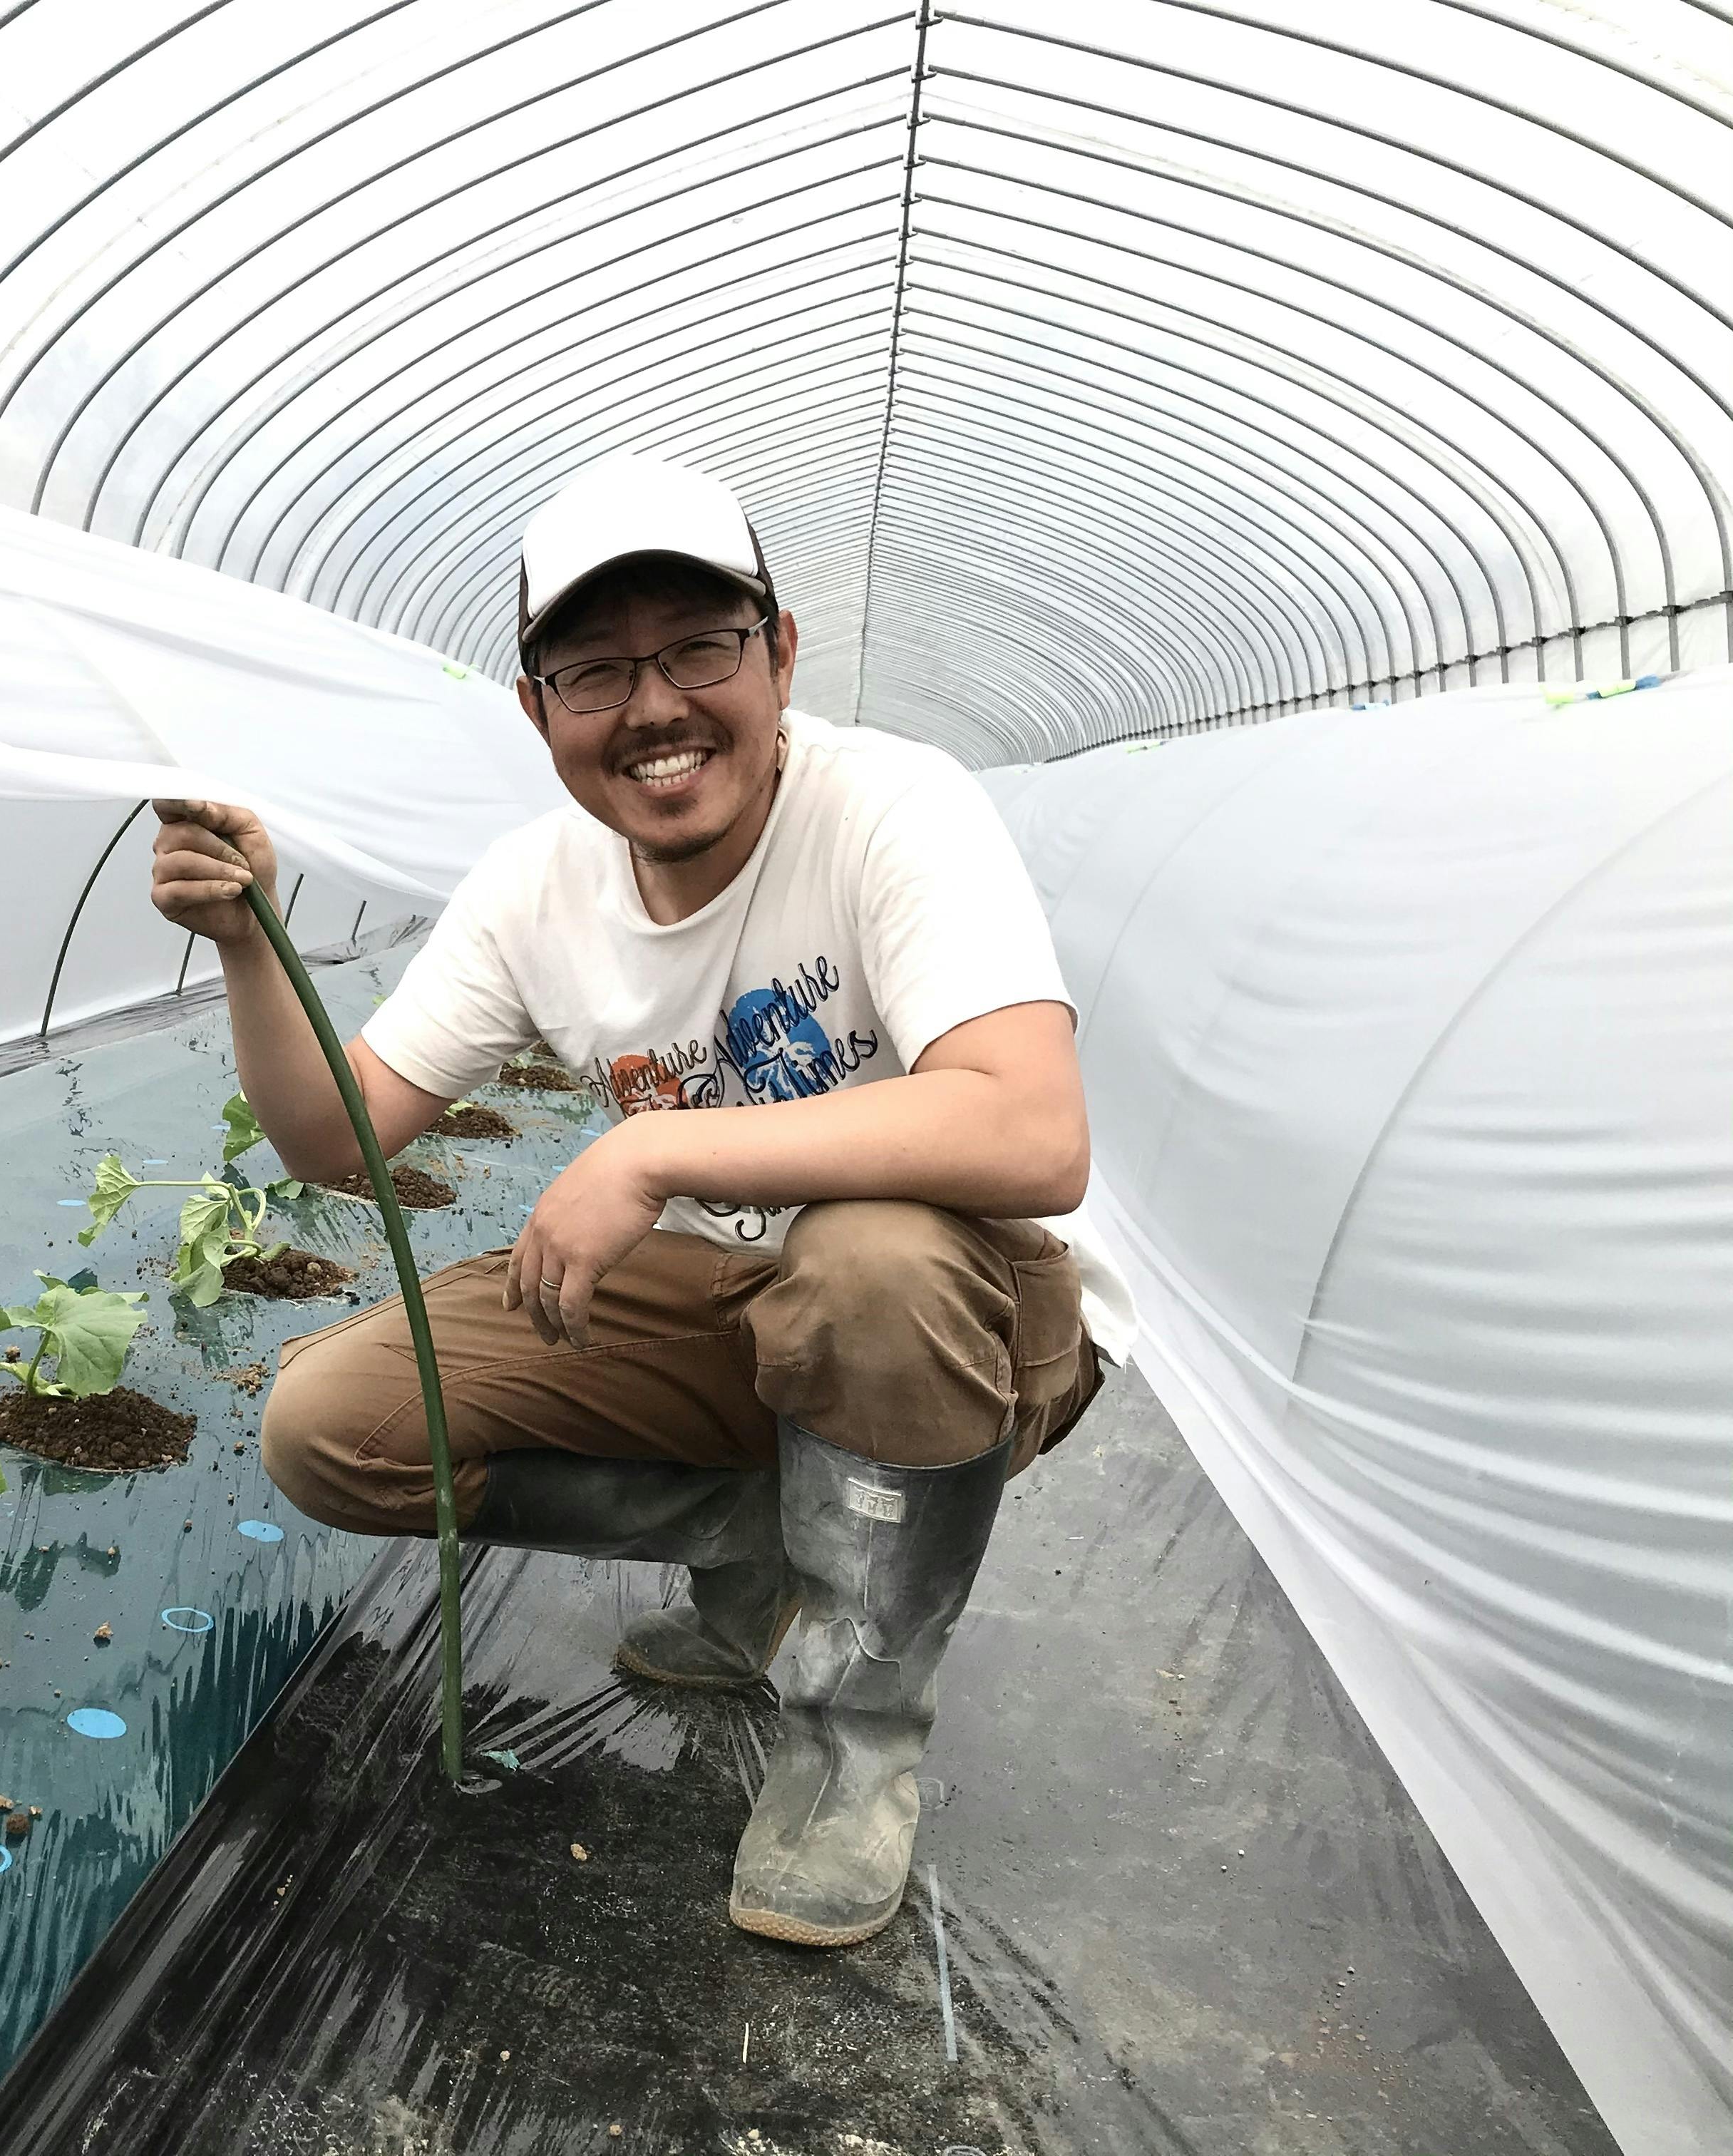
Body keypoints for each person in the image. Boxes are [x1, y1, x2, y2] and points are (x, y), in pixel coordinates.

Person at [148, 451, 1131, 1948]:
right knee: (332, 1427)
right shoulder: (531, 889)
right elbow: (340, 1141)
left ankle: (852, 1751)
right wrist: (247, 942)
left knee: (871, 1262)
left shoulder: (891, 808)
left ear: (780, 654)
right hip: (743, 1300)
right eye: (596, 671)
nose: (655, 707)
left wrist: (652, 1153)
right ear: (539, 709)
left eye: (700, 649)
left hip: (976, 1319)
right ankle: (776, 1545)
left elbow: (1030, 1129)